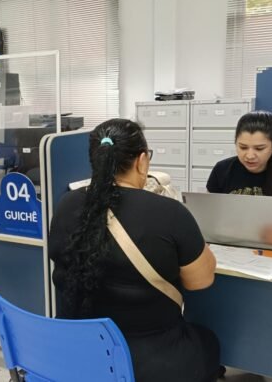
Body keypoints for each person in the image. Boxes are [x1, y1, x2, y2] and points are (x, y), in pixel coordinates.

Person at [49, 118, 219, 382]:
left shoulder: (65, 204)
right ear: (141, 161)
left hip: (79, 354)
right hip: (149, 361)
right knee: (208, 342)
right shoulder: (170, 213)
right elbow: (200, 281)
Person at [207, 110, 272, 236]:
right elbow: (208, 220)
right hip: (228, 242)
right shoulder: (221, 169)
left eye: (259, 148)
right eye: (243, 147)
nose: (250, 156)